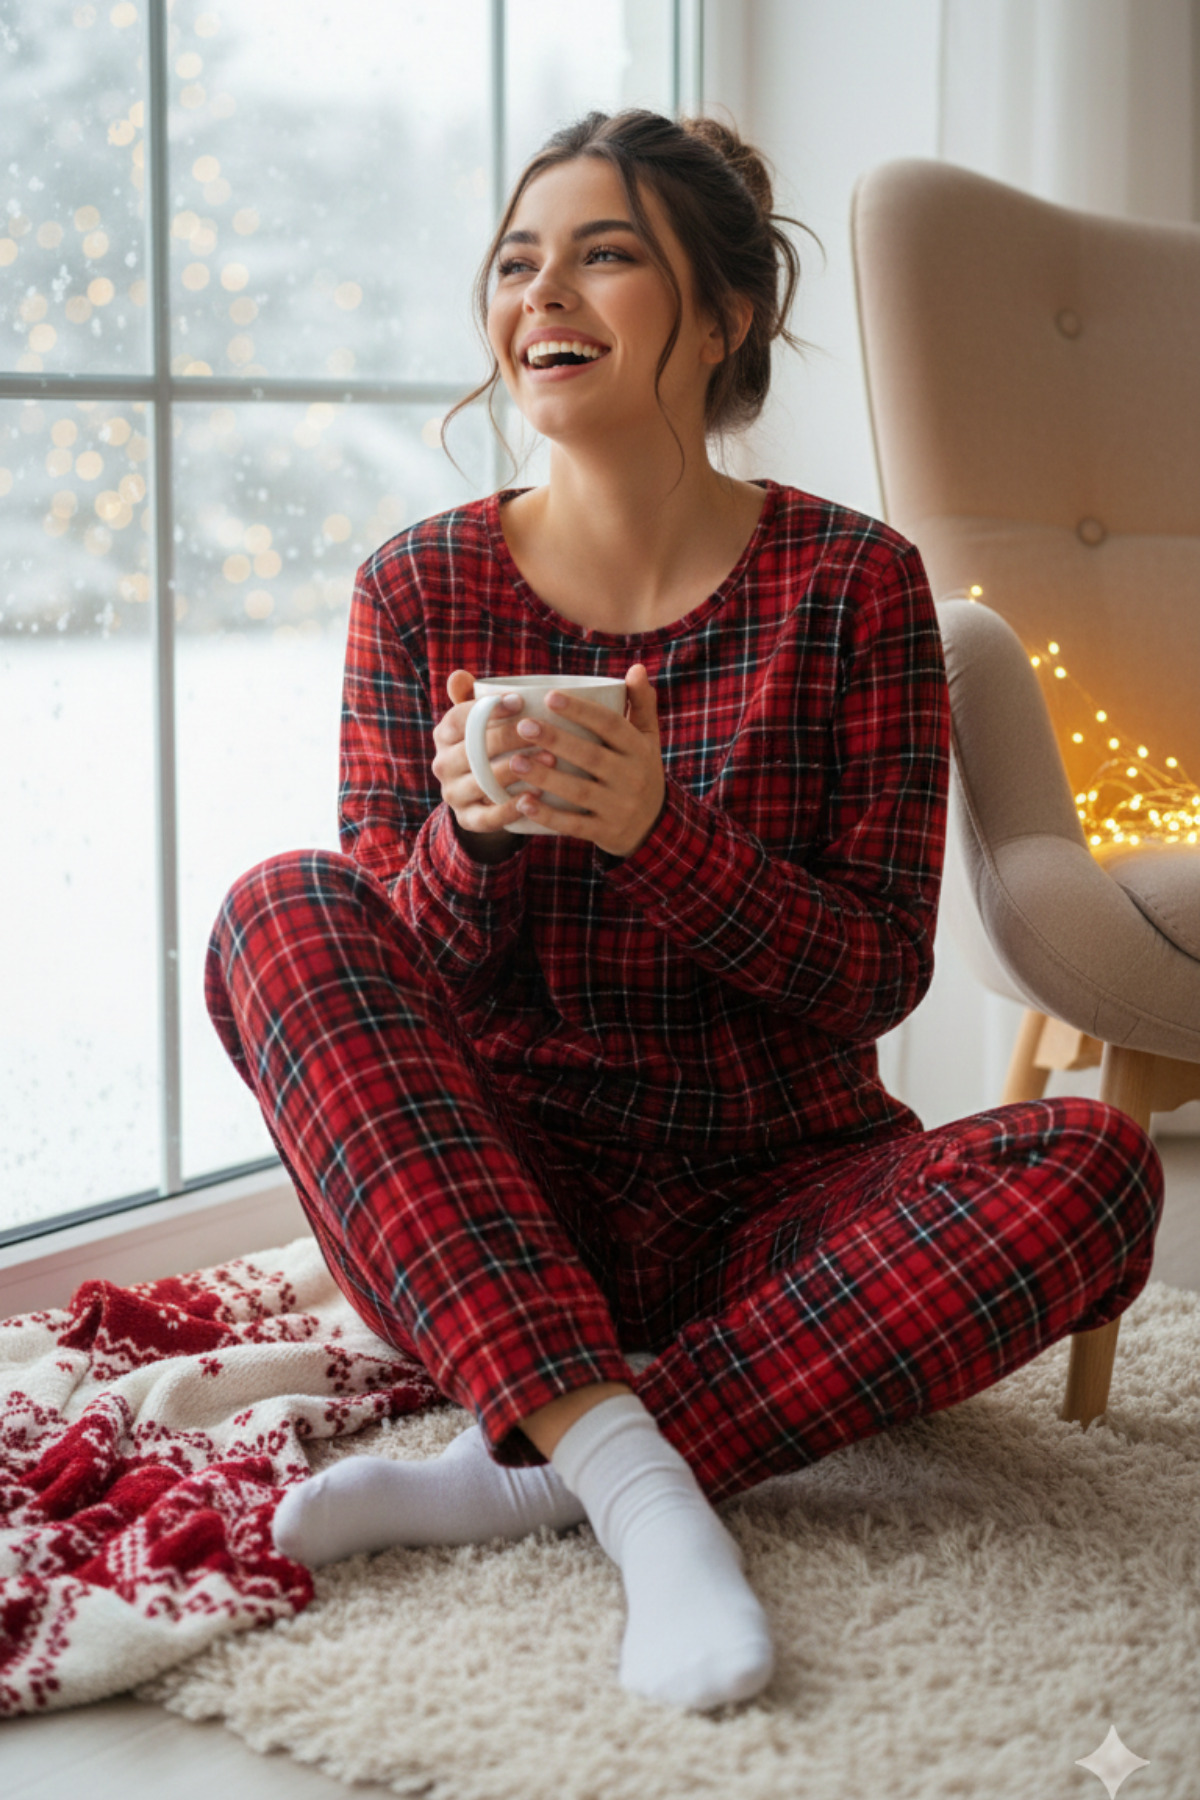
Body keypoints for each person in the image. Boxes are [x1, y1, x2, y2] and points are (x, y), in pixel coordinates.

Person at [205, 109, 1164, 1714]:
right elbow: (383, 976)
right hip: (495, 1208)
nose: (541, 294)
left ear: (721, 318)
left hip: (776, 1208)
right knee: (281, 908)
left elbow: (876, 972)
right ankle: (647, 1487)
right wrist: (474, 839)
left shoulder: (853, 583)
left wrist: (660, 834)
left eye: (603, 254)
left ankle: (546, 1456)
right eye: (517, 260)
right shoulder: (416, 589)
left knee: (1094, 1166)